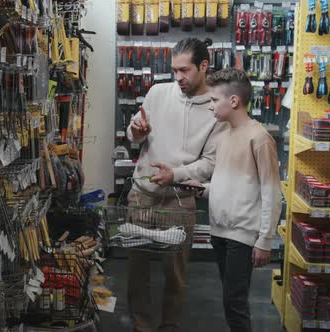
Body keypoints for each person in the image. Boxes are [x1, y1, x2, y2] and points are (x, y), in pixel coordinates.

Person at [125, 37, 227, 332]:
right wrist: (136, 131)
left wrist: (177, 174)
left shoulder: (215, 109)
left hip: (179, 202)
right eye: (174, 70)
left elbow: (209, 162)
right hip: (142, 197)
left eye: (185, 70)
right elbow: (134, 134)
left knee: (176, 275)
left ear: (204, 66)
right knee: (137, 272)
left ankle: (170, 326)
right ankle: (141, 326)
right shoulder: (158, 93)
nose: (178, 78)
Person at [186, 68, 282, 332]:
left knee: (234, 301)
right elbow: (228, 182)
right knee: (231, 302)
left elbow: (272, 192)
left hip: (241, 234)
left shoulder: (259, 138)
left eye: (215, 100)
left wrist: (265, 239)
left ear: (234, 102)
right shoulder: (224, 136)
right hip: (220, 231)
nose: (211, 107)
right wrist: (204, 189)